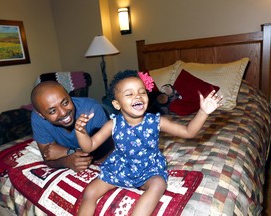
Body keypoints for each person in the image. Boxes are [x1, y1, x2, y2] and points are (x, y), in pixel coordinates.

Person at [75, 70, 223, 215]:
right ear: (117, 104)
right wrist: (80, 131)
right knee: (90, 191)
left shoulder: (155, 121)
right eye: (129, 94)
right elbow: (89, 146)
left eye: (142, 92)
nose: (138, 96)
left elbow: (188, 132)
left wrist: (203, 112)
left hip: (149, 169)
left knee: (159, 184)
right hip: (120, 168)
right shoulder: (112, 124)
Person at [30, 81, 114, 172]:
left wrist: (67, 151)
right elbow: (48, 157)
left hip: (106, 112)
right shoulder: (37, 118)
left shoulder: (93, 109)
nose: (63, 113)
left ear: (69, 95)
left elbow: (103, 155)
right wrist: (67, 161)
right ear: (41, 115)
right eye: (52, 111)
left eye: (65, 103)